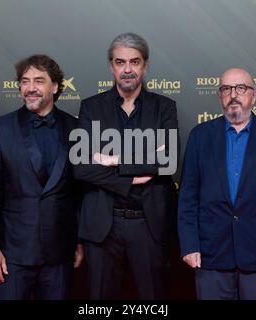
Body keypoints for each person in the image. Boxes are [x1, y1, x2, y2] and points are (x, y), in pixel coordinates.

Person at [177, 67, 256, 300]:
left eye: (241, 88)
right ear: (220, 96)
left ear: (254, 95)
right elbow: (187, 199)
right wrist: (190, 245)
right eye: (226, 89)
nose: (233, 95)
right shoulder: (200, 136)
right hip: (211, 256)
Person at [73, 32, 179, 299]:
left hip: (149, 224)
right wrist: (130, 177)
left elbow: (166, 162)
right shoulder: (91, 107)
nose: (128, 69)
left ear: (145, 65)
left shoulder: (164, 107)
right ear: (111, 66)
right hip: (102, 226)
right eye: (120, 62)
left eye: (135, 62)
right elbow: (81, 167)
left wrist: (113, 159)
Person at [0, 54, 83, 299]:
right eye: (25, 82)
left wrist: (79, 240)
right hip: (14, 253)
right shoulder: (0, 128)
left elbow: (79, 192)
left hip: (60, 251)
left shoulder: (76, 128)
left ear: (55, 86)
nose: (31, 88)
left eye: (39, 81)